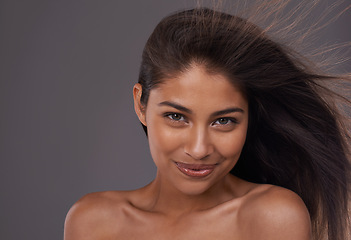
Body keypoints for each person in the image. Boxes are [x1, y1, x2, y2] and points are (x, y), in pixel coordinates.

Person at [64, 5, 350, 240]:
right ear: (141, 104)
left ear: (249, 117)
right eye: (176, 117)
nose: (199, 149)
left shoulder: (272, 216)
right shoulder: (92, 222)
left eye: (223, 121)